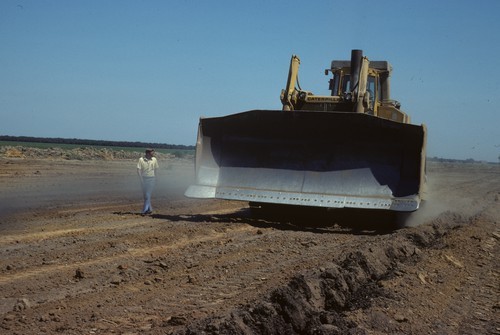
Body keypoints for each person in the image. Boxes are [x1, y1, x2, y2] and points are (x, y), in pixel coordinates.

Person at [137, 148, 159, 215]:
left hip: (151, 179)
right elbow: (138, 170)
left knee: (147, 195)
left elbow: (156, 169)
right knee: (146, 195)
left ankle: (144, 210)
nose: (153, 154)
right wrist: (141, 179)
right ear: (148, 153)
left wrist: (155, 177)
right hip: (144, 178)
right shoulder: (141, 160)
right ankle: (150, 209)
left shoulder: (154, 159)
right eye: (152, 152)